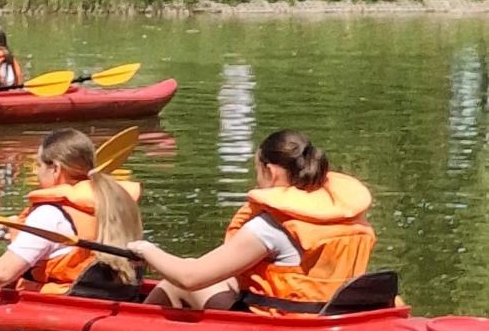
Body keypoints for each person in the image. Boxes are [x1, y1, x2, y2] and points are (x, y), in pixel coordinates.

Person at [128, 129, 375, 314]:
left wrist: (144, 249)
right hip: (330, 314)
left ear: (271, 172)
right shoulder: (348, 218)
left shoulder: (269, 226)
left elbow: (190, 277)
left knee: (176, 284)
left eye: (257, 170)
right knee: (220, 277)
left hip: (282, 325)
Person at [0, 127, 144, 300]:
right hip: (110, 297)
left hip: (64, 304)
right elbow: (69, 247)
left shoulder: (50, 215)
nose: (35, 172)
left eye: (38, 165)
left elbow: (3, 273)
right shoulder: (114, 203)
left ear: (55, 168)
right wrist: (20, 231)